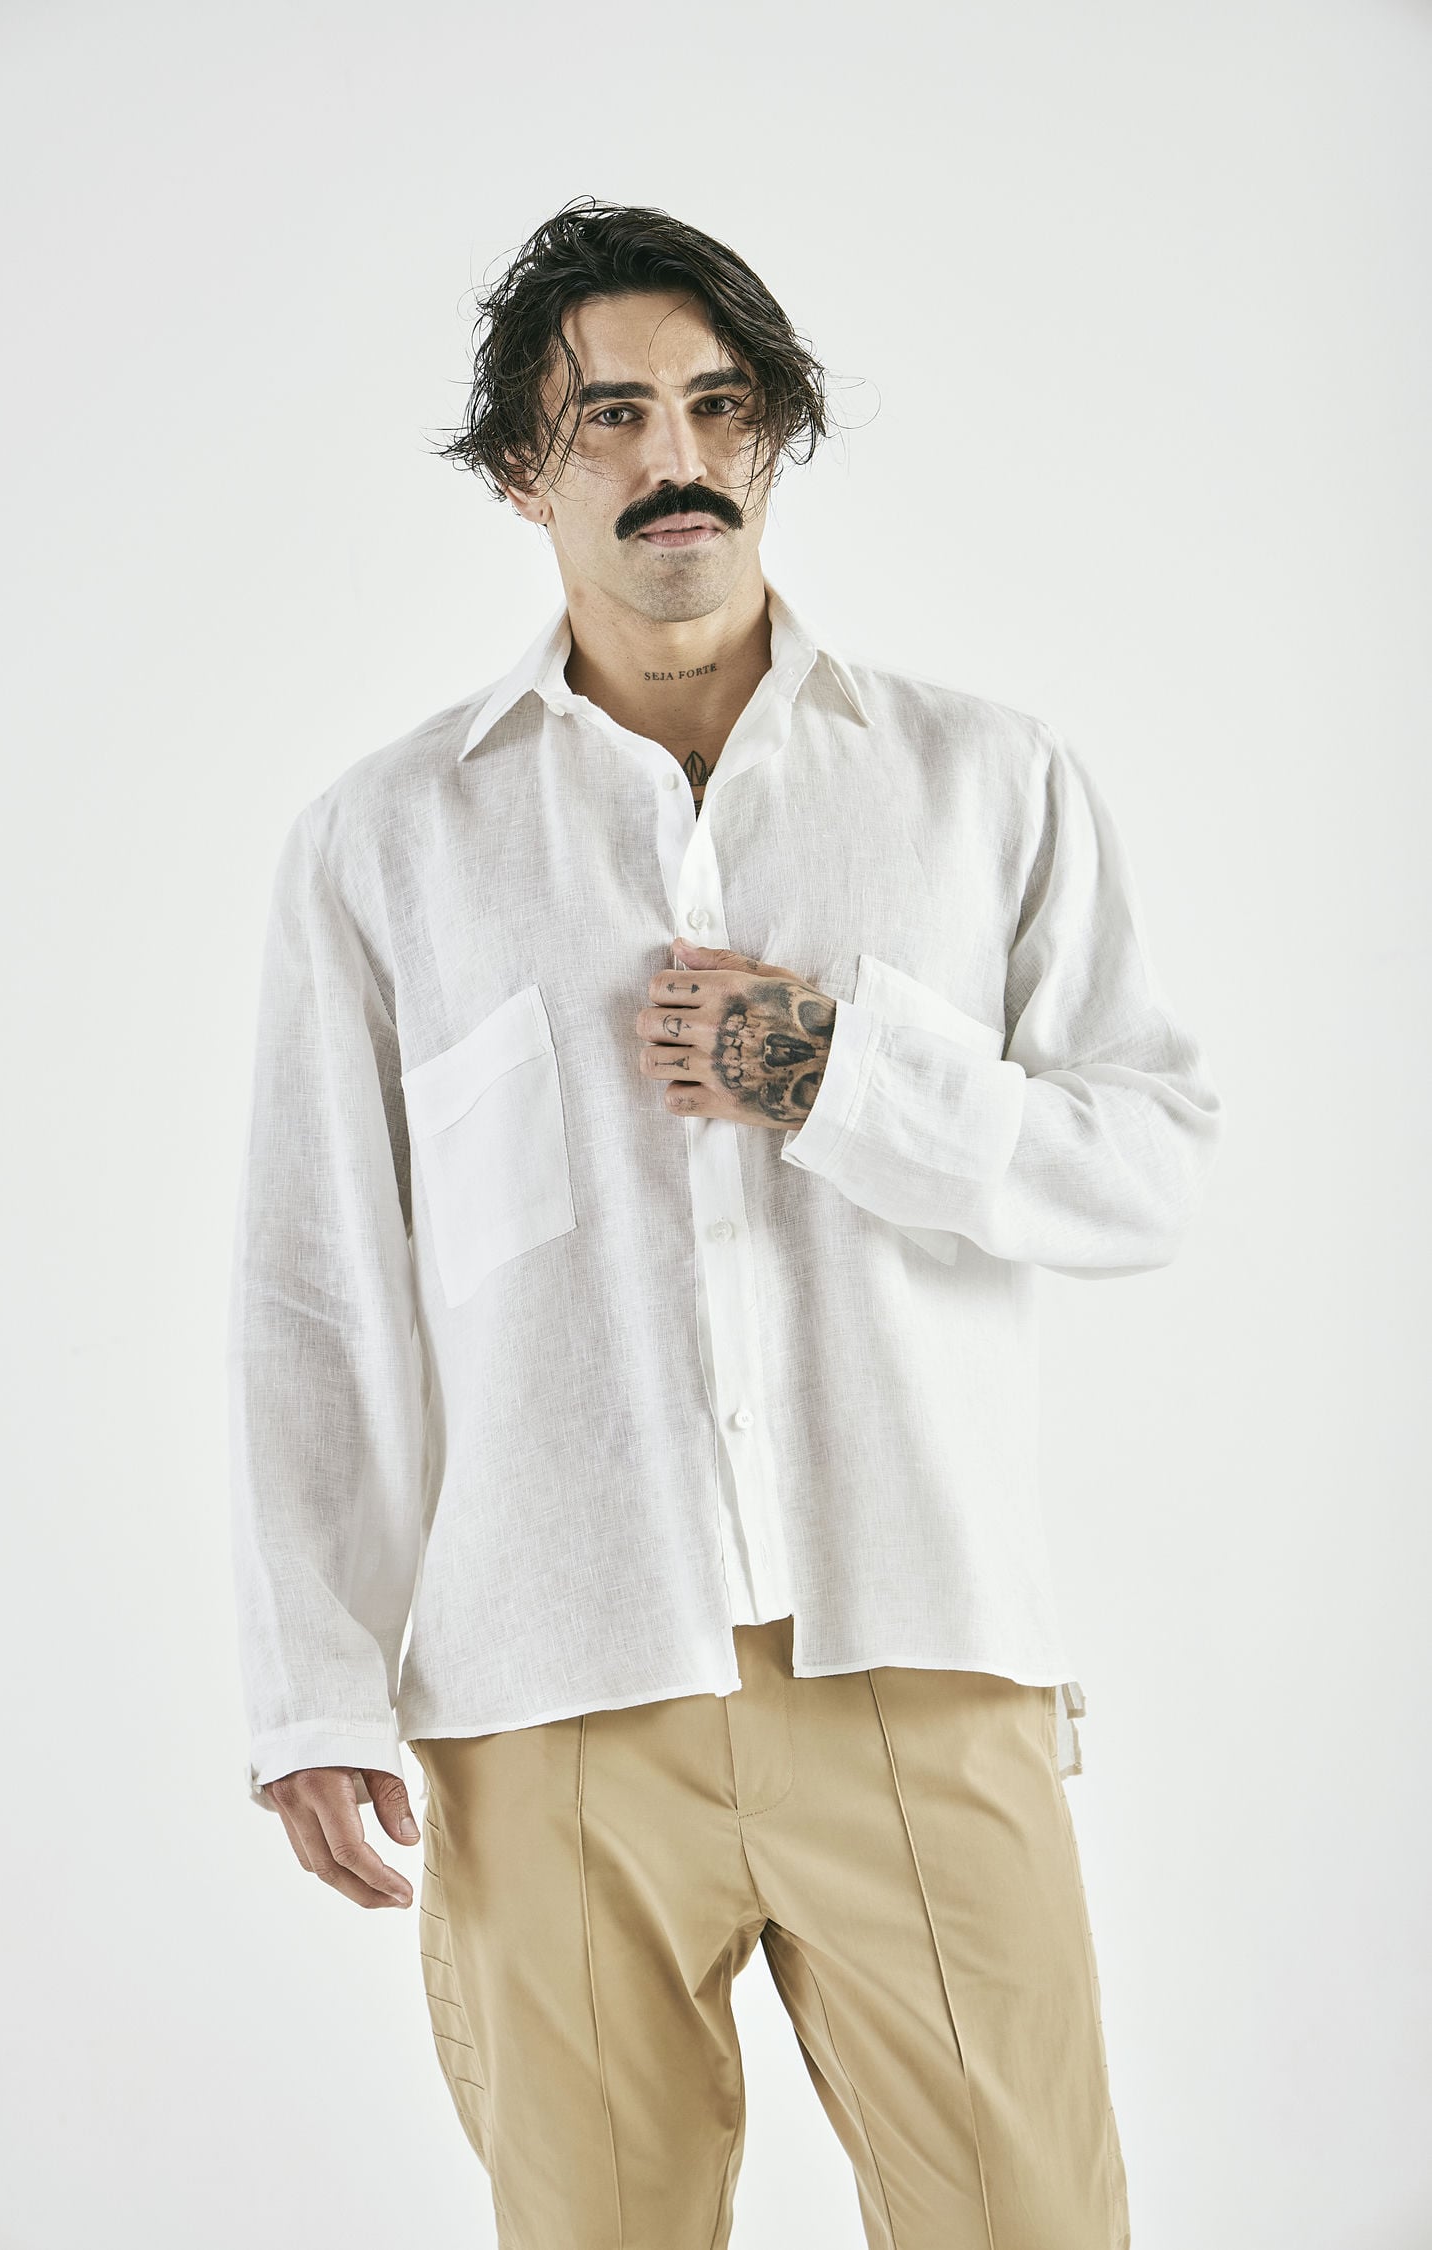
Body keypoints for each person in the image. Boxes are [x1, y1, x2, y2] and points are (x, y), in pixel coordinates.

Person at [226, 194, 1223, 2249]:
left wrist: (844, 1077)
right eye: (607, 414)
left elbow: (1145, 1161)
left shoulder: (982, 782)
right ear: (521, 472)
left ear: (772, 437)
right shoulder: (386, 843)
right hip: (553, 1687)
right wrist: (314, 1686)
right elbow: (319, 1291)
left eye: (715, 404)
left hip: (915, 1652)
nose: (670, 456)